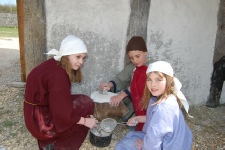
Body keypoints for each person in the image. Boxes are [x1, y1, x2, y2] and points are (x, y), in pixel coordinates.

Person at [24, 35, 98, 150]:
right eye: (78, 57)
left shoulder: (54, 64)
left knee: (84, 100)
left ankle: (49, 142)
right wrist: (85, 121)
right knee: (87, 105)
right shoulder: (58, 75)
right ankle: (57, 144)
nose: (81, 62)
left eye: (83, 58)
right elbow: (63, 115)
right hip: (42, 125)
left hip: (34, 115)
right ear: (67, 55)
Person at [115, 61, 193, 150]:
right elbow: (154, 118)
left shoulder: (163, 108)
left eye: (158, 80)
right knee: (130, 136)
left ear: (170, 80)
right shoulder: (168, 98)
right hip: (180, 143)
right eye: (149, 79)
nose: (153, 85)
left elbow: (154, 139)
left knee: (122, 146)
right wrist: (137, 118)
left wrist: (144, 146)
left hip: (169, 145)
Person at [99, 36, 155, 131]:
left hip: (152, 103)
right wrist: (109, 85)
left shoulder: (154, 66)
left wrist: (121, 95)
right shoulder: (132, 67)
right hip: (137, 103)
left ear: (145, 52)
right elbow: (120, 79)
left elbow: (140, 85)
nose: (135, 60)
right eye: (131, 58)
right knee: (128, 123)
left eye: (138, 56)